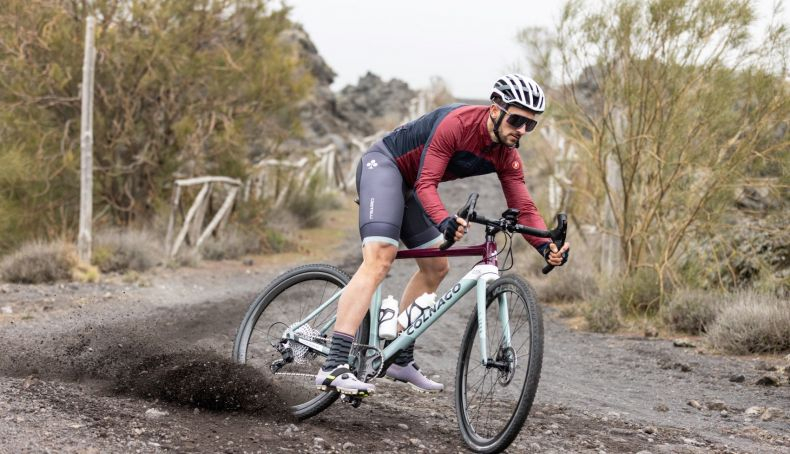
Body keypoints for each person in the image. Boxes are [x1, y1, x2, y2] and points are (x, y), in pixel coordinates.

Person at [315, 74, 570, 397]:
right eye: (517, 120)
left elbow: (523, 206)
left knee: (436, 266)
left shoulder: (507, 154)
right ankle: (333, 364)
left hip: (409, 187)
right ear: (495, 110)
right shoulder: (457, 124)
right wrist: (444, 221)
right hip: (385, 167)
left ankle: (396, 356)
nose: (521, 130)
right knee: (380, 259)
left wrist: (547, 246)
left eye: (529, 125)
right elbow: (426, 184)